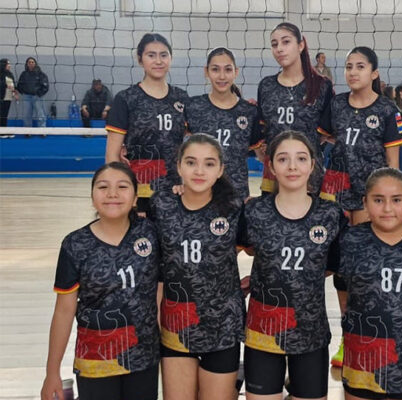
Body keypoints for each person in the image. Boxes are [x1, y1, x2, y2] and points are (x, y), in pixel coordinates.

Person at [40, 162, 161, 400]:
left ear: (135, 198)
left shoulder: (150, 233)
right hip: (95, 361)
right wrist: (52, 372)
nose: (112, 194)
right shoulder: (75, 244)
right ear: (92, 197)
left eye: (122, 187)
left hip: (143, 359)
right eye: (103, 187)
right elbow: (64, 311)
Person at [240, 130, 346, 400]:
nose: (292, 166)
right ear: (271, 166)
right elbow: (233, 248)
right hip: (263, 331)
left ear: (312, 164)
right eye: (283, 159)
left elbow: (331, 266)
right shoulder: (254, 212)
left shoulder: (330, 215)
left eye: (300, 158)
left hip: (310, 332)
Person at [318, 47, 402, 366]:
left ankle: (373, 335)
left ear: (374, 73)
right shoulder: (337, 105)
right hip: (336, 193)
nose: (353, 72)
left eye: (360, 66)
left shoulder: (387, 109)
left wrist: (395, 206)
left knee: (368, 267)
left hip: (371, 197)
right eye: (348, 66)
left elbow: (393, 166)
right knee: (341, 267)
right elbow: (324, 139)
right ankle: (348, 337)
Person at [333, 167, 402, 400]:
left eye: (397, 200)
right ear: (365, 202)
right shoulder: (350, 241)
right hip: (362, 358)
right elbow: (341, 284)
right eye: (378, 200)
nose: (387, 208)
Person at [150, 134, 244, 400]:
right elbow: (154, 267)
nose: (199, 171)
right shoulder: (162, 204)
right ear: (179, 166)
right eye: (191, 162)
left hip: (222, 327)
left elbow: (259, 249)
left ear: (221, 170)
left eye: (209, 164)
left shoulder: (235, 208)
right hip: (176, 325)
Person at [105, 33, 189, 217]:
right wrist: (121, 193)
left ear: (171, 58)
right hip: (139, 193)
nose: (158, 61)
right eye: (151, 55)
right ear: (140, 59)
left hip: (176, 192)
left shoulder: (182, 98)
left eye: (164, 55)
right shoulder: (126, 99)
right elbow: (112, 155)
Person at [257, 22, 334, 194]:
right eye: (274, 44)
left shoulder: (322, 85)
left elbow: (326, 132)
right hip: (274, 174)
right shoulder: (266, 86)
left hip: (309, 175)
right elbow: (262, 129)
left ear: (300, 45)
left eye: (286, 42)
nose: (279, 49)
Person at [186, 47, 263, 202]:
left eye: (228, 69)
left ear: (236, 72)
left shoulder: (249, 111)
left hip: (236, 197)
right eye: (215, 69)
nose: (222, 76)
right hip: (199, 195)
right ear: (206, 72)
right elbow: (177, 149)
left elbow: (262, 156)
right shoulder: (193, 106)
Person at [16, 56, 48, 128]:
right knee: (26, 115)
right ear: (27, 64)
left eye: (32, 62)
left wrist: (39, 94)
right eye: (29, 62)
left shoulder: (41, 74)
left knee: (40, 114)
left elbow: (45, 86)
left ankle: (42, 130)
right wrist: (23, 92)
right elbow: (19, 85)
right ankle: (27, 130)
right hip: (26, 97)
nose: (31, 63)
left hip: (37, 97)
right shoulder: (24, 74)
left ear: (35, 63)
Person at [0, 58, 19, 130]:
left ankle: (4, 130)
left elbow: (13, 85)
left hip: (8, 97)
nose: (9, 65)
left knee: (5, 115)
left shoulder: (10, 74)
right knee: (1, 114)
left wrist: (15, 92)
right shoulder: (1, 74)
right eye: (8, 64)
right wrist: (6, 85)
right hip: (1, 97)